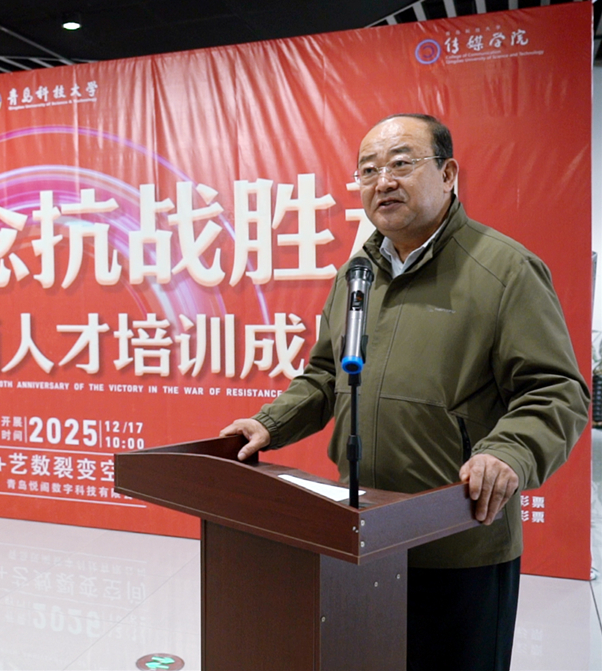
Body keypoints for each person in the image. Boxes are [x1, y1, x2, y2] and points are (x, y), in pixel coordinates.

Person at [220, 114, 589, 671]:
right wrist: (270, 423)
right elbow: (326, 375)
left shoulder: (505, 269)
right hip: (363, 533)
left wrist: (508, 451)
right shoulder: (357, 275)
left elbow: (556, 390)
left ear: (448, 173)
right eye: (368, 170)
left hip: (460, 542)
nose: (383, 181)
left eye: (400, 164)